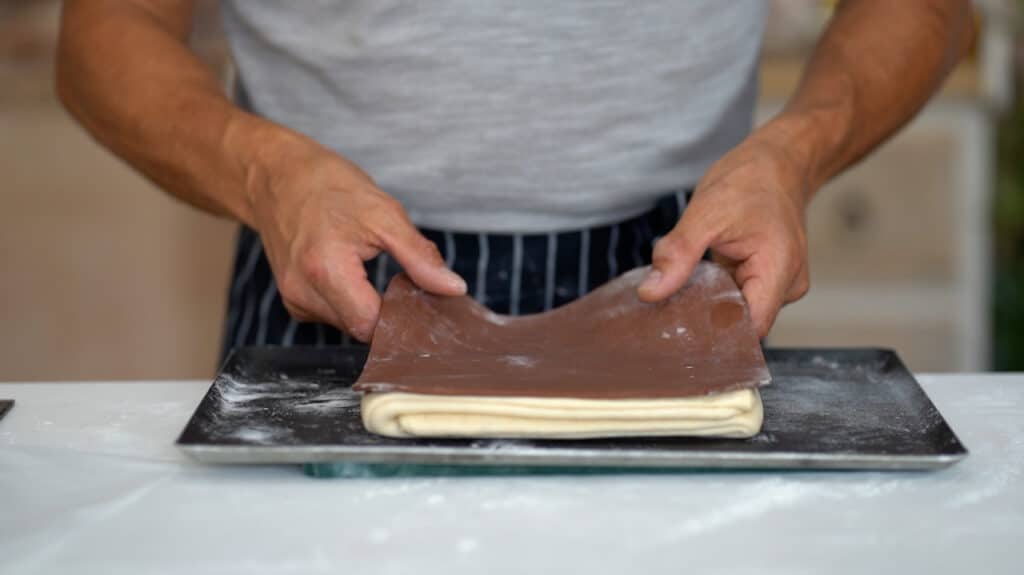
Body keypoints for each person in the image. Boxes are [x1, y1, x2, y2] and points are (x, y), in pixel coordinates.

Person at [56, 1, 973, 354]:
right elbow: (106, 34)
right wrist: (264, 174)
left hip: (678, 270)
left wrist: (796, 150)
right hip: (328, 278)